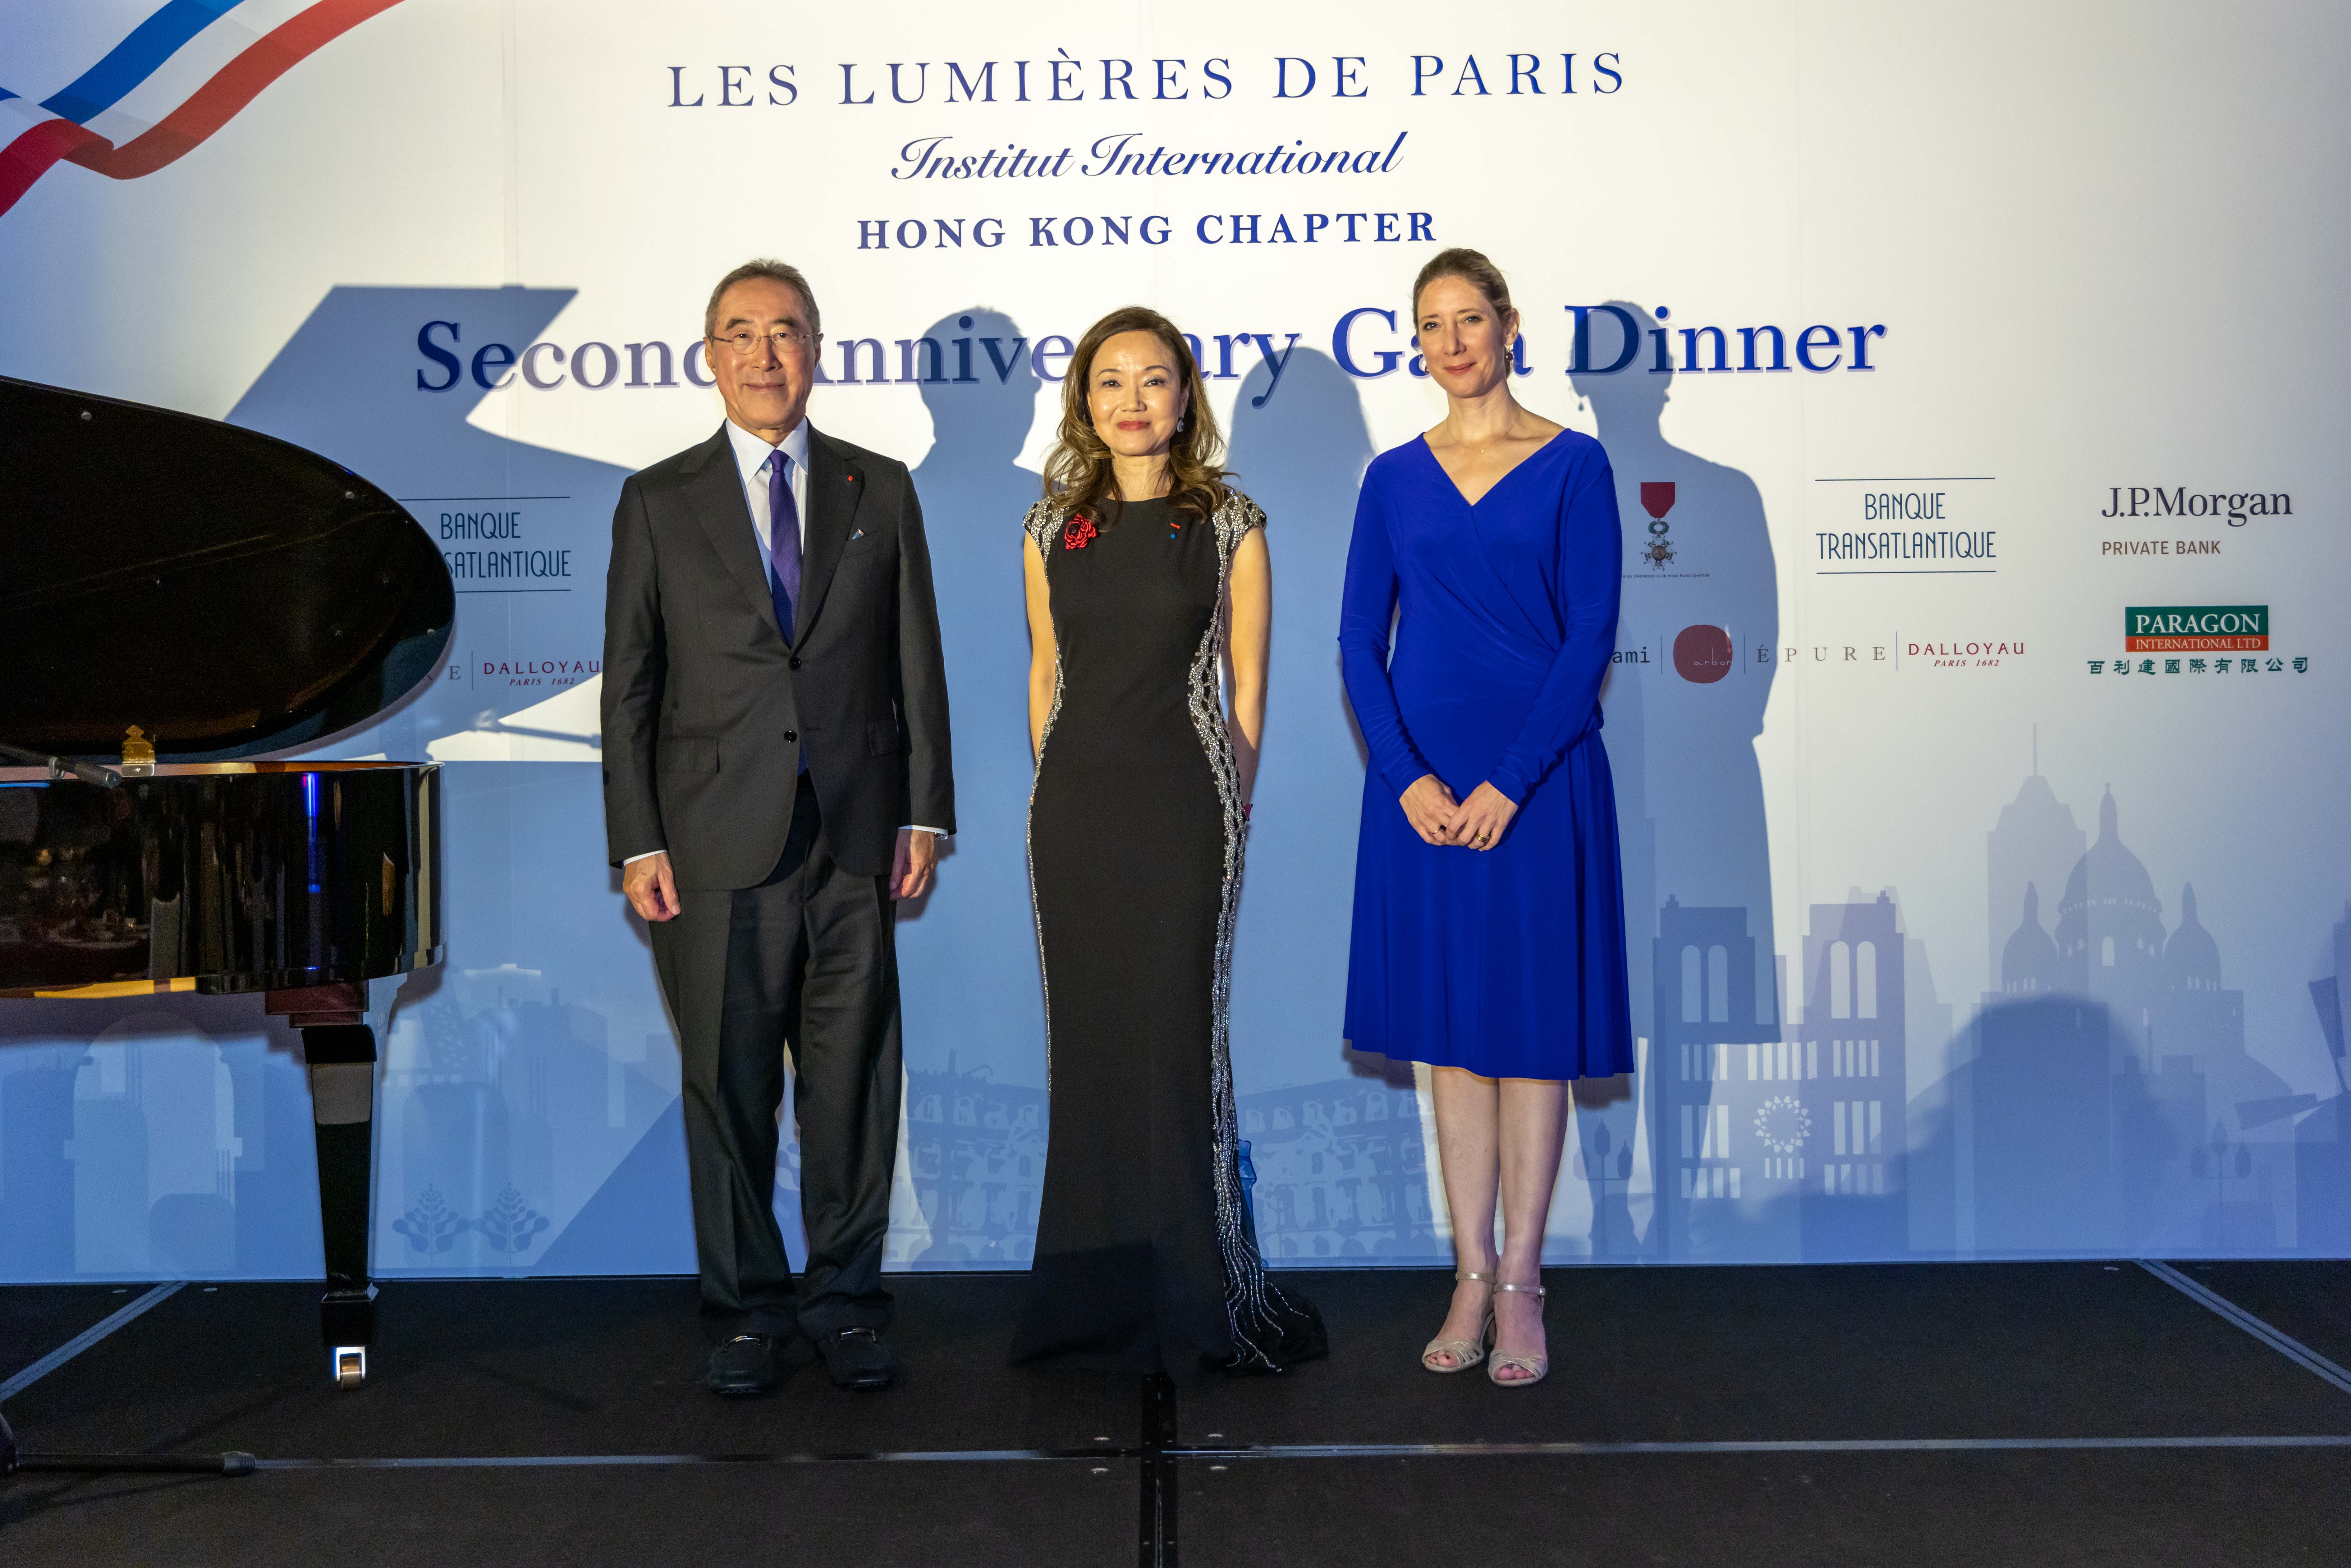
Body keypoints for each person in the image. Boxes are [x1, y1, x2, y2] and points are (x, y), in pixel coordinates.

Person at [602, 259, 954, 1396]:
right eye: (740, 333)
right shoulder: (657, 500)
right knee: (729, 1088)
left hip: (857, 837)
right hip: (710, 845)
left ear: (816, 349)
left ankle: (847, 1302)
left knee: (852, 1087)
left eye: (786, 332)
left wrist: (926, 809)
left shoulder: (879, 488)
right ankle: (747, 1310)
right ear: (710, 356)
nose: (764, 355)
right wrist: (638, 839)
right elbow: (631, 686)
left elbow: (915, 660)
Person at [1010, 306, 1326, 1384]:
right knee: (1090, 1047)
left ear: (1186, 397)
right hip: (1073, 817)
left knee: (1182, 1046)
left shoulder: (1230, 522)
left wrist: (1233, 807)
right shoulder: (1049, 526)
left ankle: (1205, 1293)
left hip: (1186, 811)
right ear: (1084, 402)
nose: (1133, 401)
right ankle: (1092, 1298)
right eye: (1111, 381)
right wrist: (1052, 788)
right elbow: (1045, 675)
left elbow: (1248, 691)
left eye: (1154, 380)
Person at [1338, 249, 1634, 1387]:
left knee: (1531, 1038)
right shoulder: (1391, 479)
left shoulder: (1575, 465)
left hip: (1540, 783)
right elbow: (1358, 643)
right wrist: (1405, 776)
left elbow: (1590, 633)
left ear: (1510, 328)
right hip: (1420, 790)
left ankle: (1521, 1284)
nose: (1453, 341)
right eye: (1432, 324)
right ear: (1416, 343)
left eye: (1471, 319)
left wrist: (1511, 781)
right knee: (1453, 1042)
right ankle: (1467, 1272)